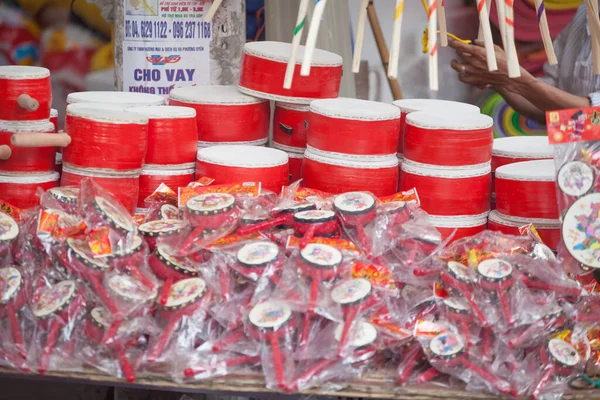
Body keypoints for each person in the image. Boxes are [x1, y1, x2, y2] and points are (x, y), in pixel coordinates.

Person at [449, 3, 599, 124]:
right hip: (573, 156)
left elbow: (595, 118)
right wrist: (498, 79)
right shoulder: (585, 12)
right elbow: (547, 108)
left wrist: (518, 80)